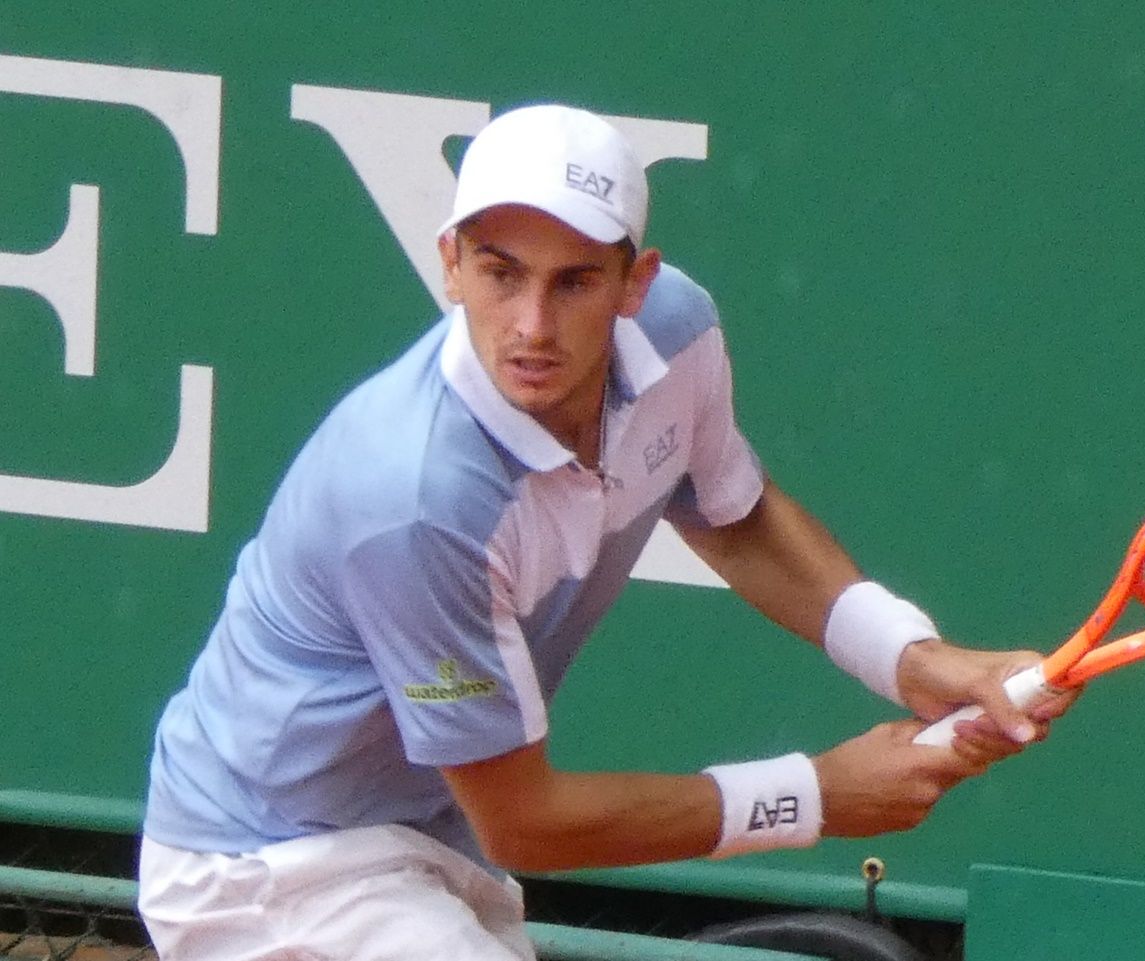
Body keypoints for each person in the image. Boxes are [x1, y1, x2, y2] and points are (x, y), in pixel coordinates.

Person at [136, 104, 1073, 961]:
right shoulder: (416, 499)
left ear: (637, 281)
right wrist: (815, 794)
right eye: (500, 274)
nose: (532, 327)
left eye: (575, 281)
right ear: (450, 262)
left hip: (424, 832)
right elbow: (525, 823)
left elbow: (732, 516)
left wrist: (912, 659)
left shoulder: (678, 333)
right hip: (266, 862)